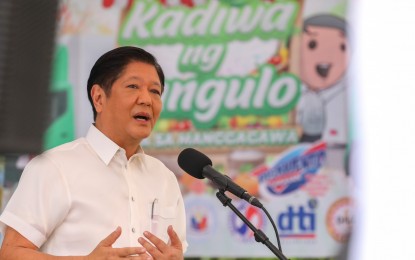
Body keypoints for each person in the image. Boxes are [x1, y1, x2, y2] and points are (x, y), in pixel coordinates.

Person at [0, 46, 187, 259]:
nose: (146, 100)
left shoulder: (165, 178)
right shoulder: (53, 167)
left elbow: (176, 252)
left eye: (155, 91)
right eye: (133, 86)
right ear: (98, 98)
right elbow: (10, 253)